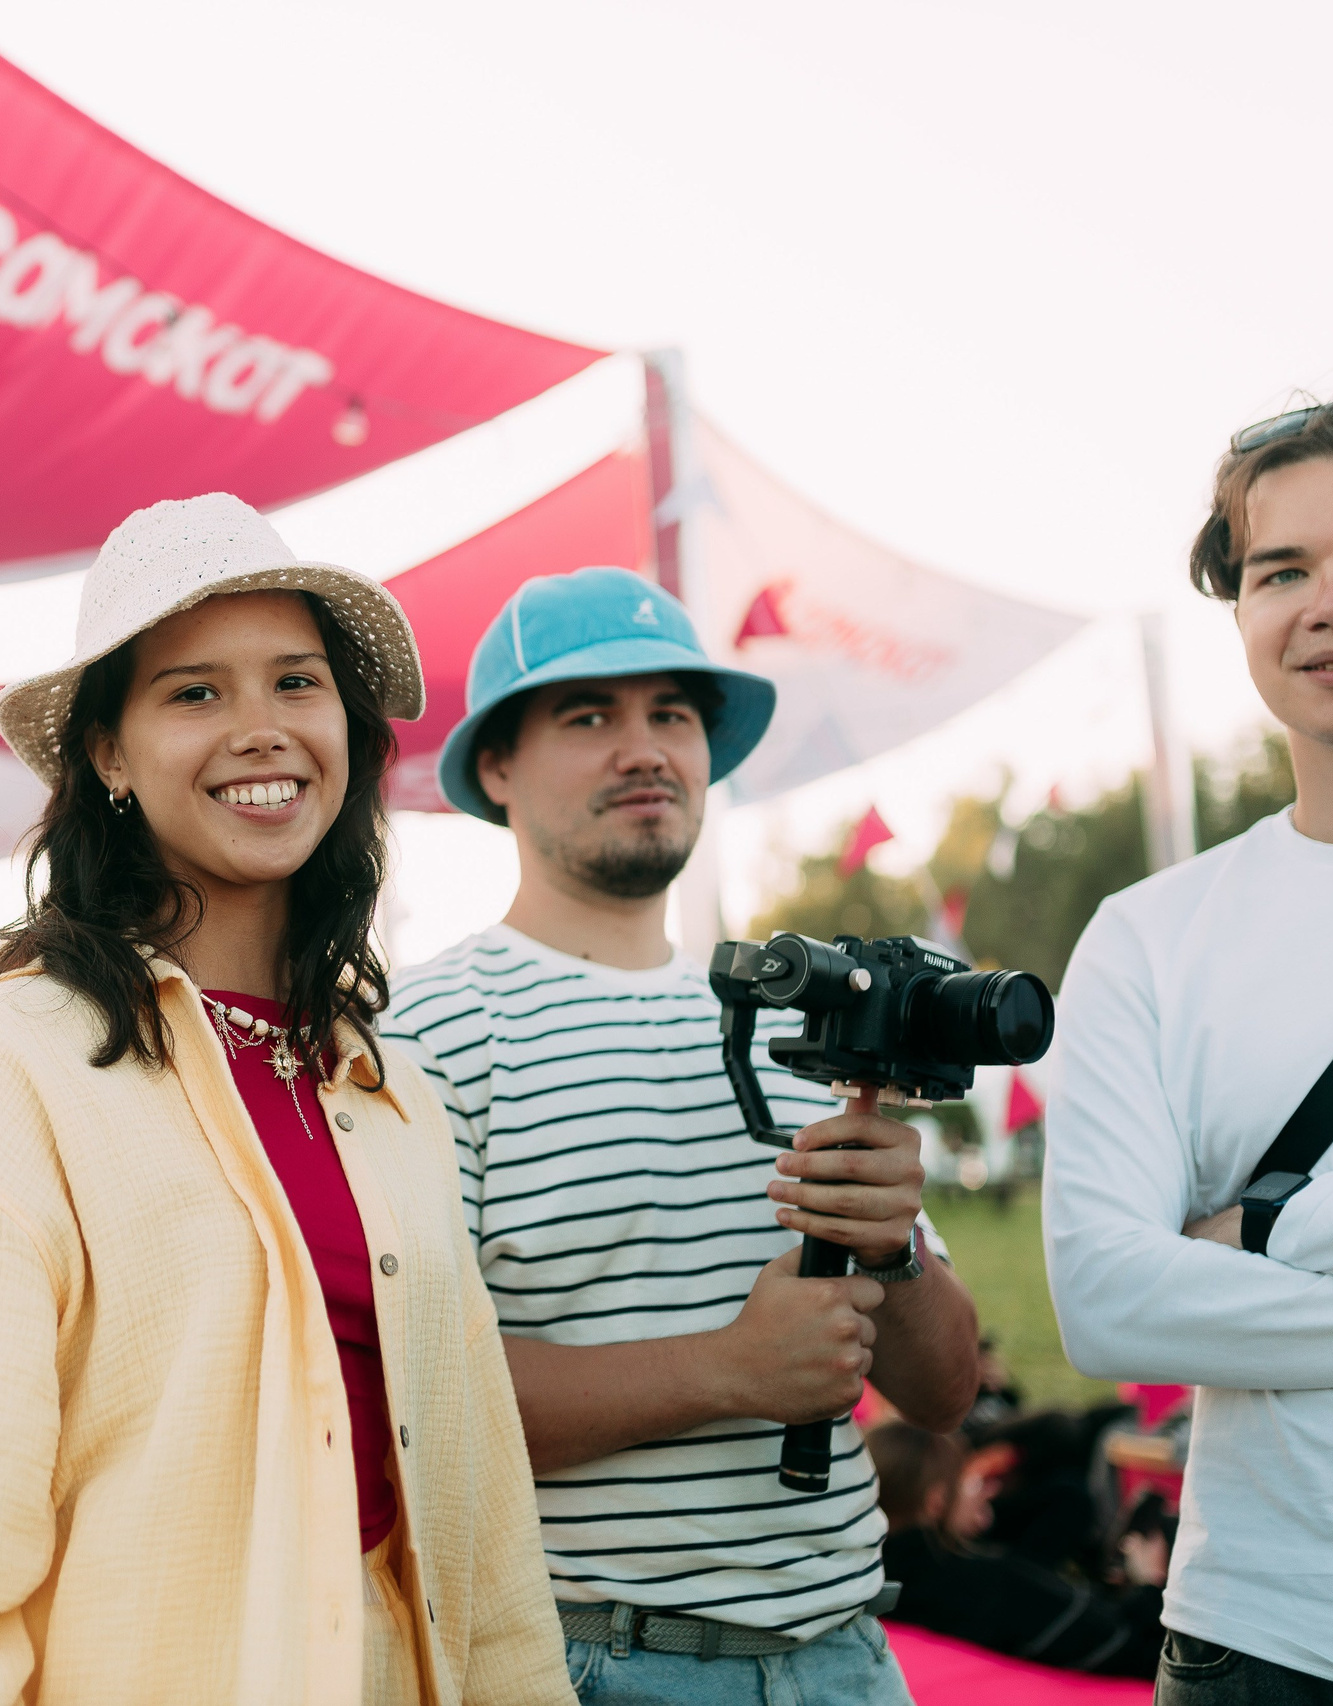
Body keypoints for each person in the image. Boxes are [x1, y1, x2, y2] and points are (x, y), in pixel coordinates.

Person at [0, 494, 570, 1705]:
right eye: (194, 692)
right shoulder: (5, 1064)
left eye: (295, 681)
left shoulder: (386, 1085)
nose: (262, 730)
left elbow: (482, 1526)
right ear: (107, 752)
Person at [382, 567, 980, 1704]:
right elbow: (413, 1410)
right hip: (585, 1659)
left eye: (671, 714)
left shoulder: (807, 1017)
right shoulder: (424, 1033)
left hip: (848, 1650)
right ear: (496, 766)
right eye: (588, 715)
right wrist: (726, 1369)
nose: (643, 747)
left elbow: (944, 1392)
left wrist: (896, 1249)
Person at [1044, 371, 1333, 1704]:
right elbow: (1107, 1300)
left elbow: (1172, 1273)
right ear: (1242, 610)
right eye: (1283, 569)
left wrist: (1273, 1230)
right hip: (1276, 1645)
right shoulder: (1149, 933)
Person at [869, 1422, 1167, 1678]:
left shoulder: (862, 1586)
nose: (982, 1488)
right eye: (966, 1478)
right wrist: (1149, 1583)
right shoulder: (992, 1585)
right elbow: (1126, 1647)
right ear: (935, 1502)